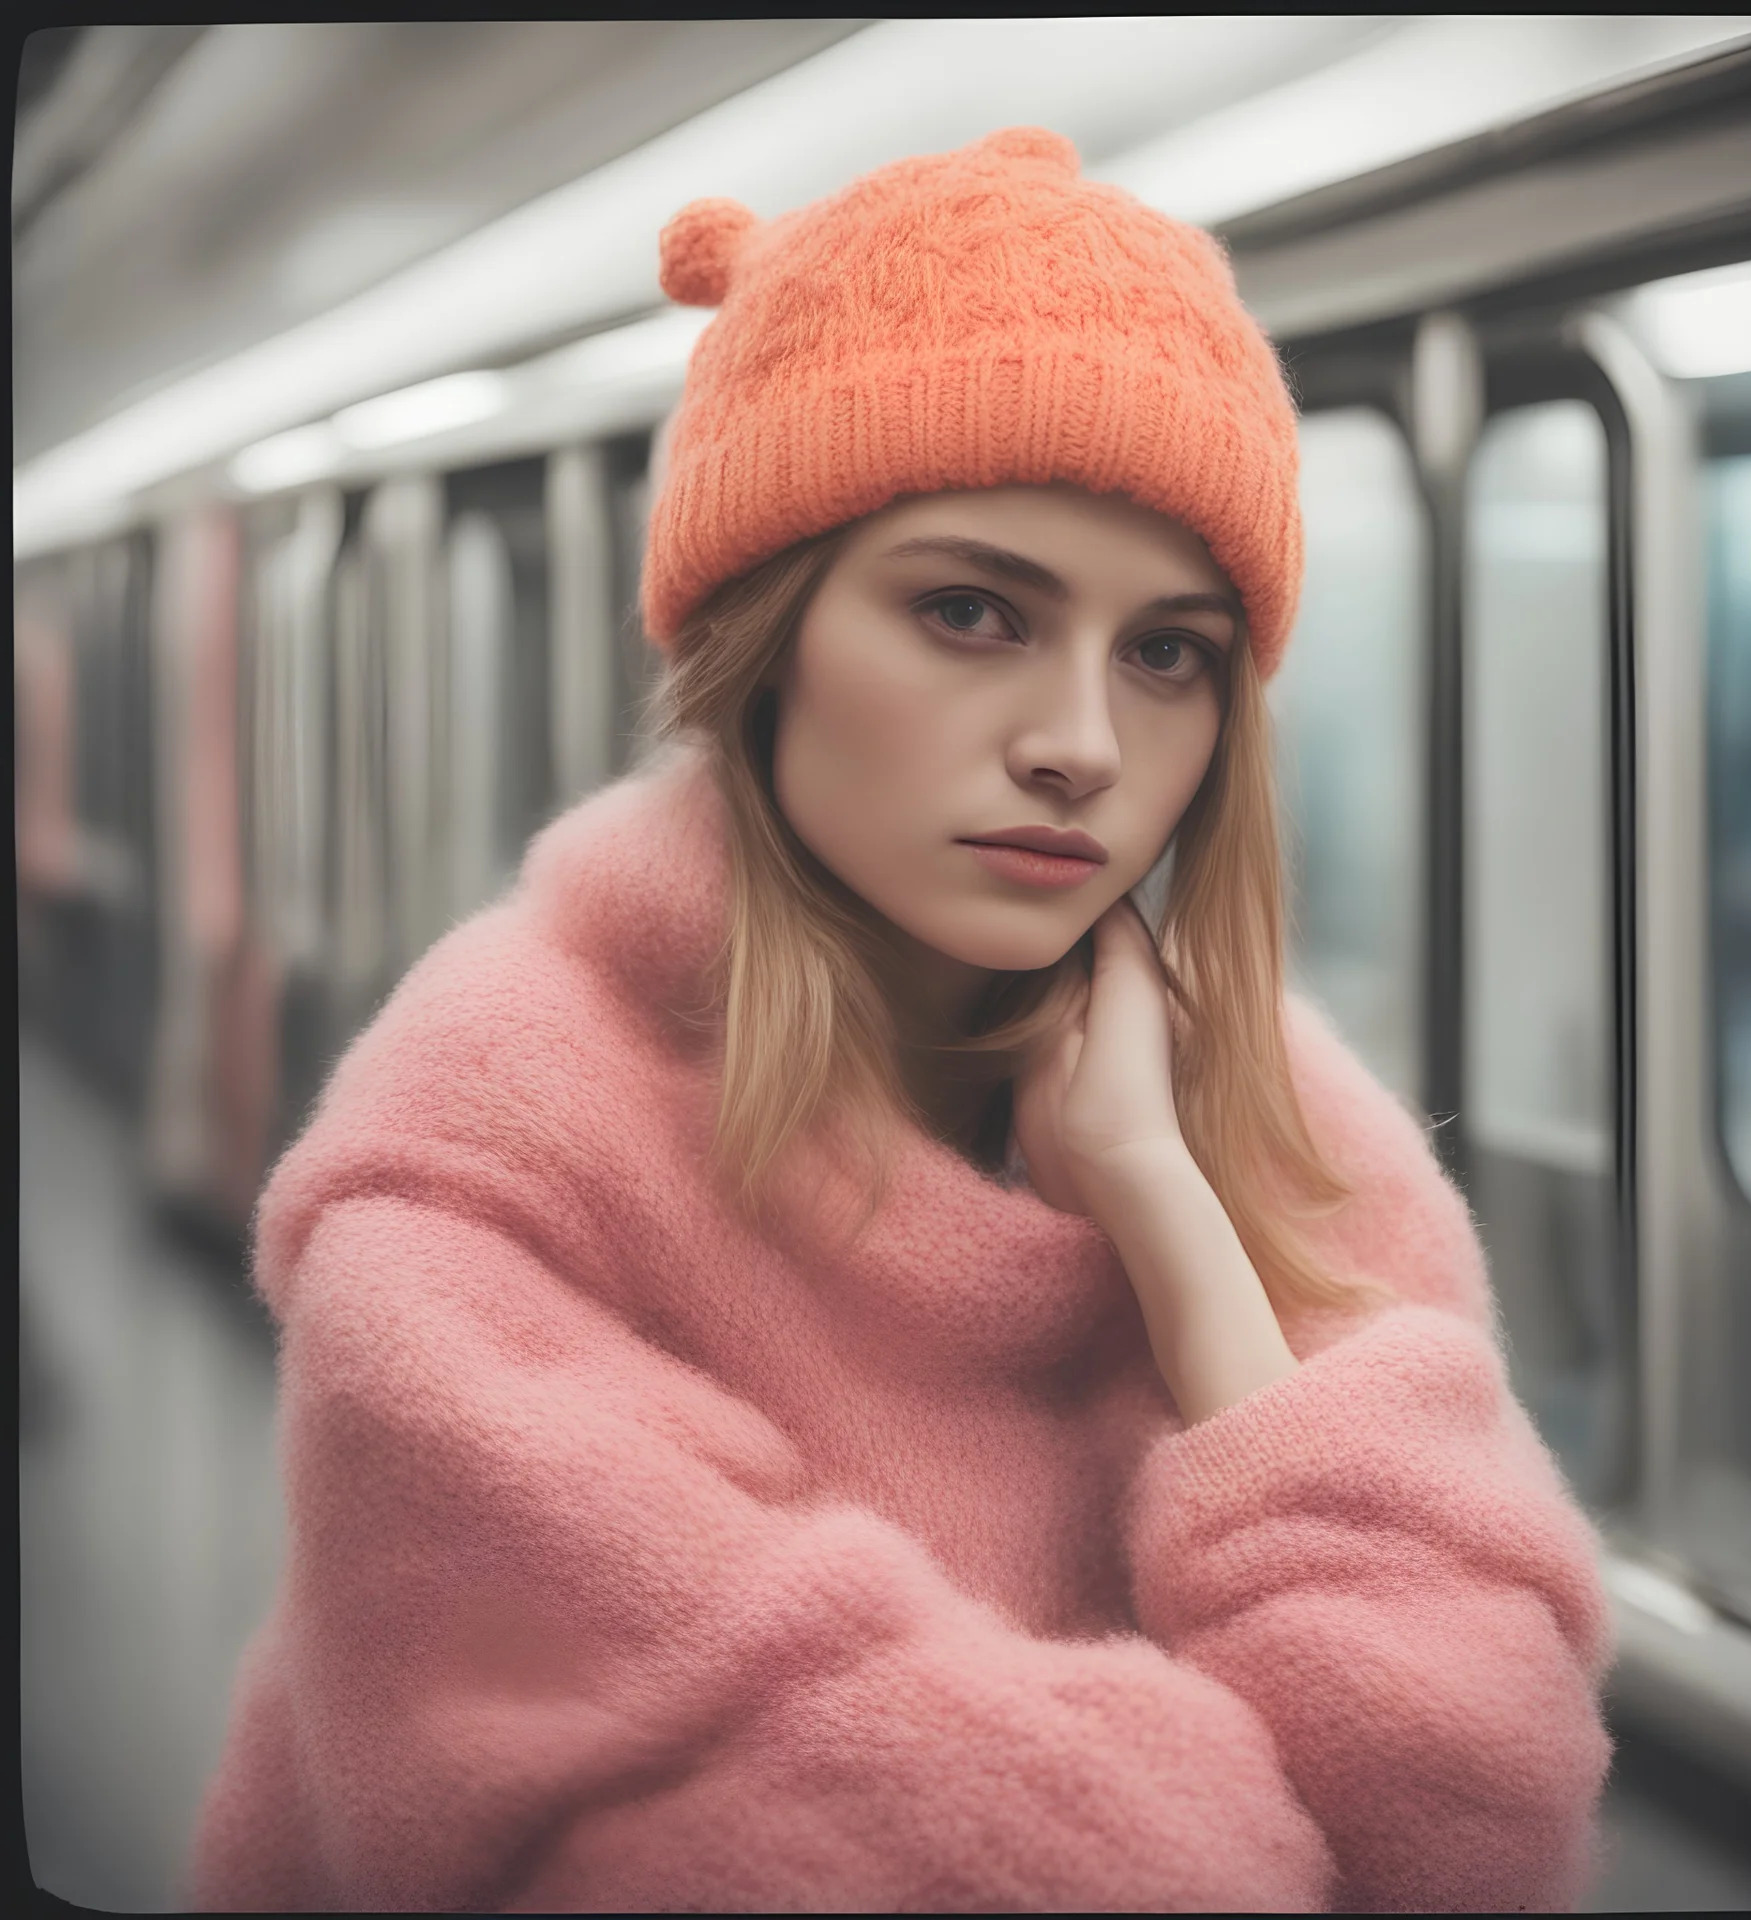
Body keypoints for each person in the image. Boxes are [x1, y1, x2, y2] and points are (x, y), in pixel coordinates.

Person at [192, 127, 1612, 1912]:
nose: (1082, 741)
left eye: (1167, 652)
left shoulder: (1275, 1124)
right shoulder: (486, 1152)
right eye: (969, 610)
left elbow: (1482, 1815)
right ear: (765, 643)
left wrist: (1175, 1227)